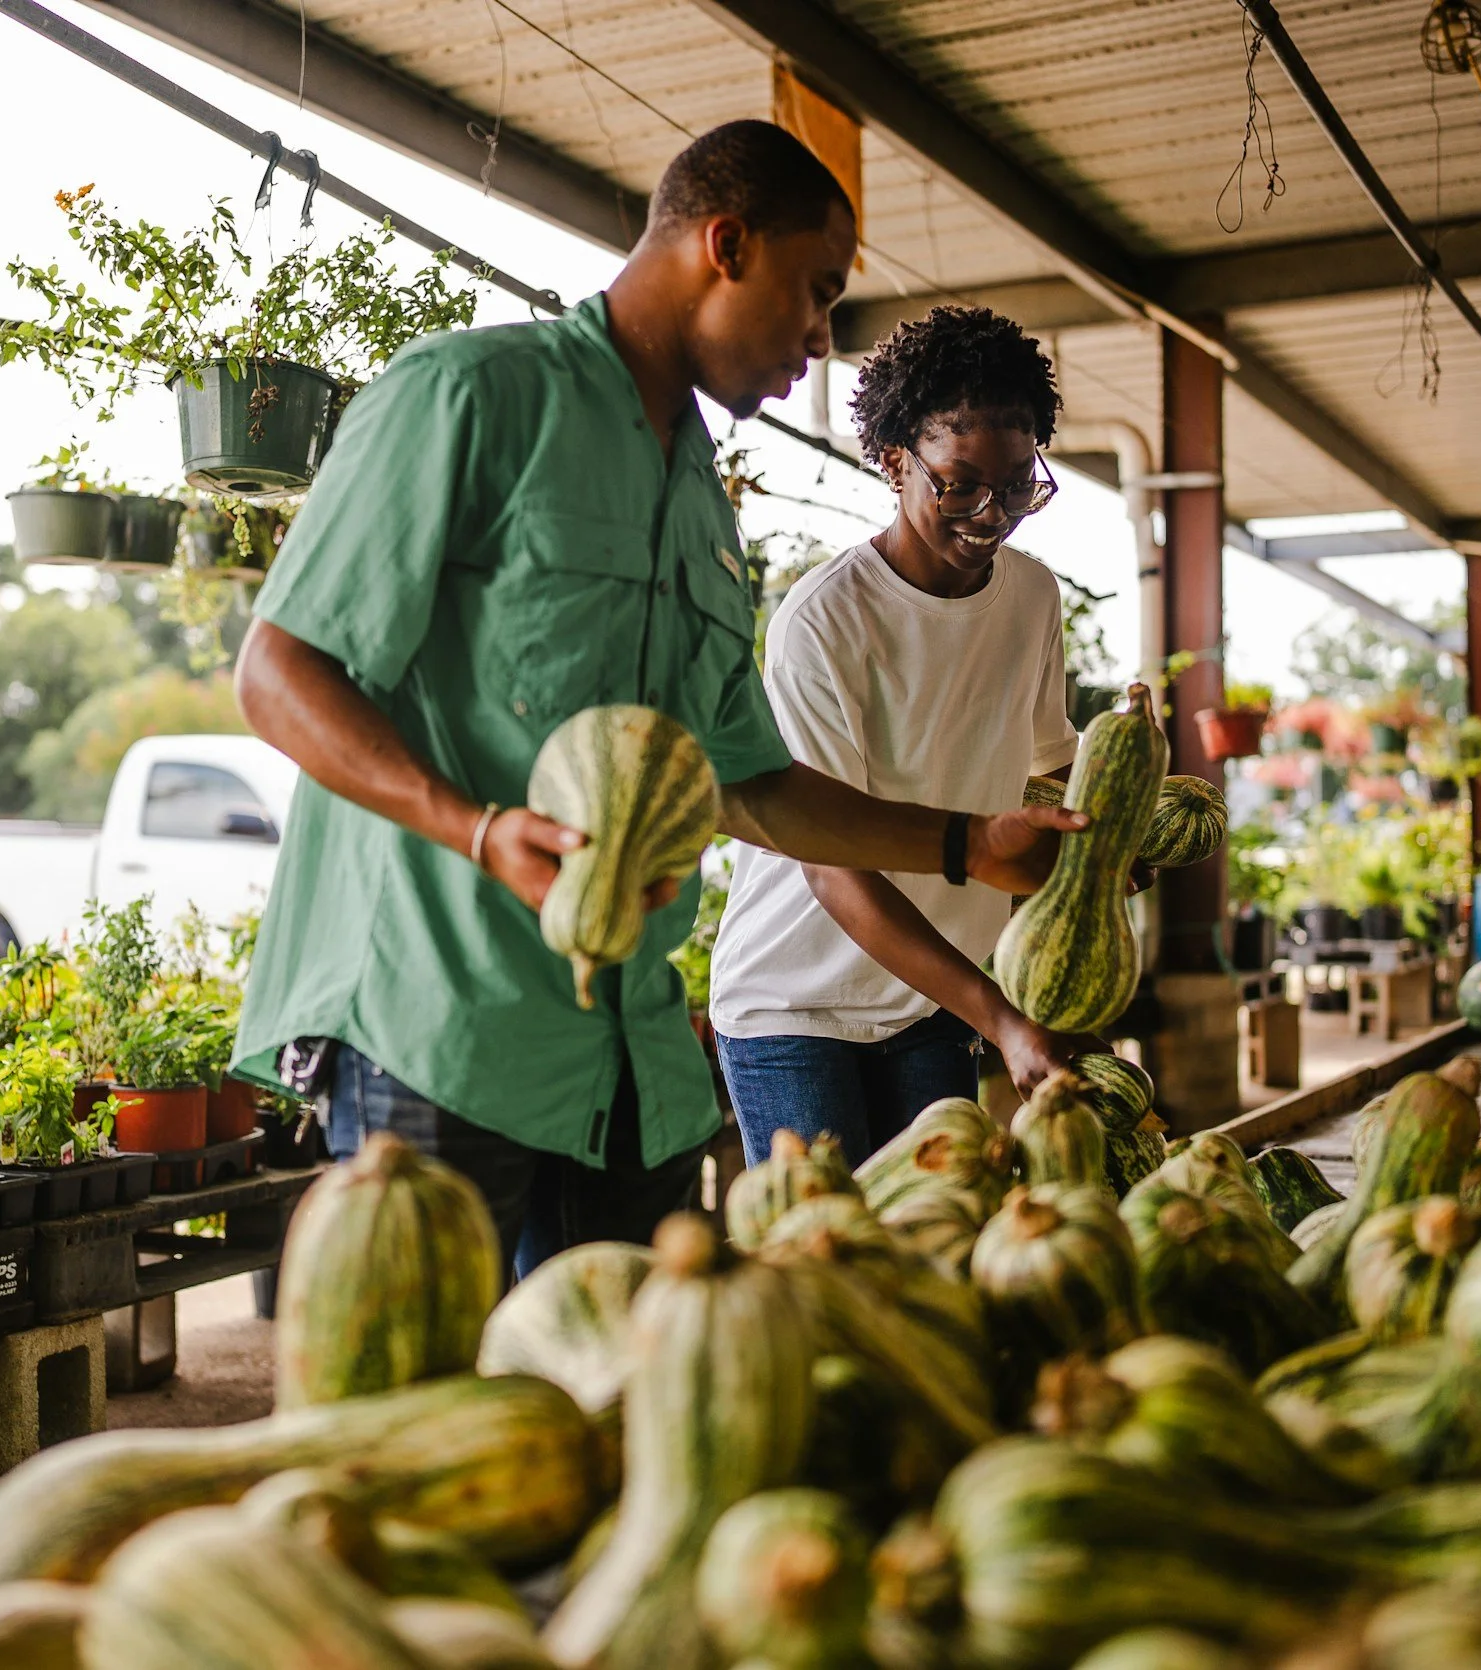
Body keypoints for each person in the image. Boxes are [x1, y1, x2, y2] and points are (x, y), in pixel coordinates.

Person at [227, 123, 1091, 1275]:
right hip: (433, 1023)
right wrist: (476, 830)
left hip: (621, 1052)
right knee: (420, 1377)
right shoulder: (469, 395)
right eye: (815, 291)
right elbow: (279, 671)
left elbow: (749, 782)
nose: (819, 340)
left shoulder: (695, 500)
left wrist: (969, 844)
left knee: (632, 1367)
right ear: (725, 246)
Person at [709, 304, 1103, 1166]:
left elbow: (1048, 768)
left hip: (931, 1002)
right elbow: (830, 864)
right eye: (960, 484)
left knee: (938, 1237)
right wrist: (1001, 1018)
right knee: (831, 1243)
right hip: (795, 1008)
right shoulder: (826, 619)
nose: (992, 513)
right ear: (894, 461)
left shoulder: (1031, 598)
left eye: (1018, 485)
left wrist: (1100, 856)